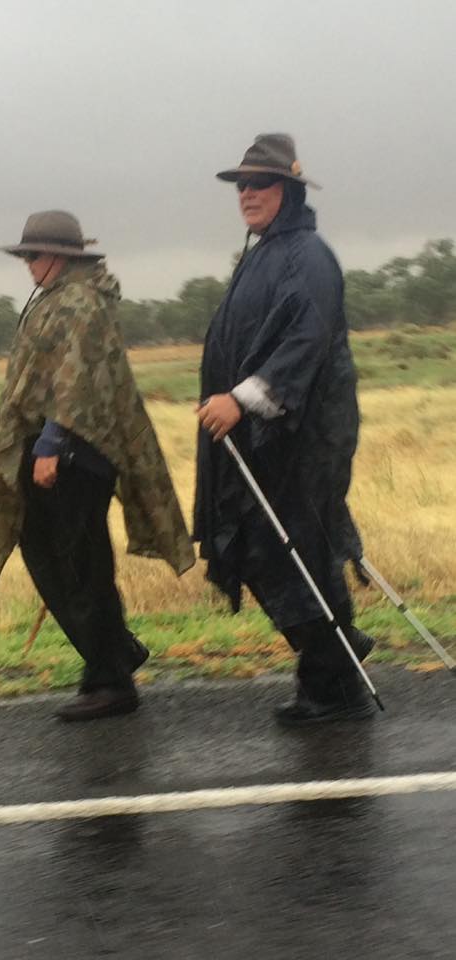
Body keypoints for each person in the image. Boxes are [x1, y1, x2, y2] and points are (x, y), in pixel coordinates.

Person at [0, 210, 194, 721]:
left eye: (36, 255)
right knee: (49, 556)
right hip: (56, 451)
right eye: (26, 255)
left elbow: (76, 381)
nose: (29, 264)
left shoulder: (79, 303)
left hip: (71, 456)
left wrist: (51, 444)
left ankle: (111, 681)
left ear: (63, 257)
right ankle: (114, 651)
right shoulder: (59, 299)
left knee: (81, 565)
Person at [195, 134, 375, 726]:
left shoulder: (307, 254)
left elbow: (307, 338)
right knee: (271, 549)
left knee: (293, 549)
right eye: (242, 185)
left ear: (289, 191)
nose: (247, 194)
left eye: (261, 183)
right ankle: (334, 659)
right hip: (268, 437)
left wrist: (243, 400)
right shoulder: (265, 252)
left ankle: (336, 681)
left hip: (303, 436)